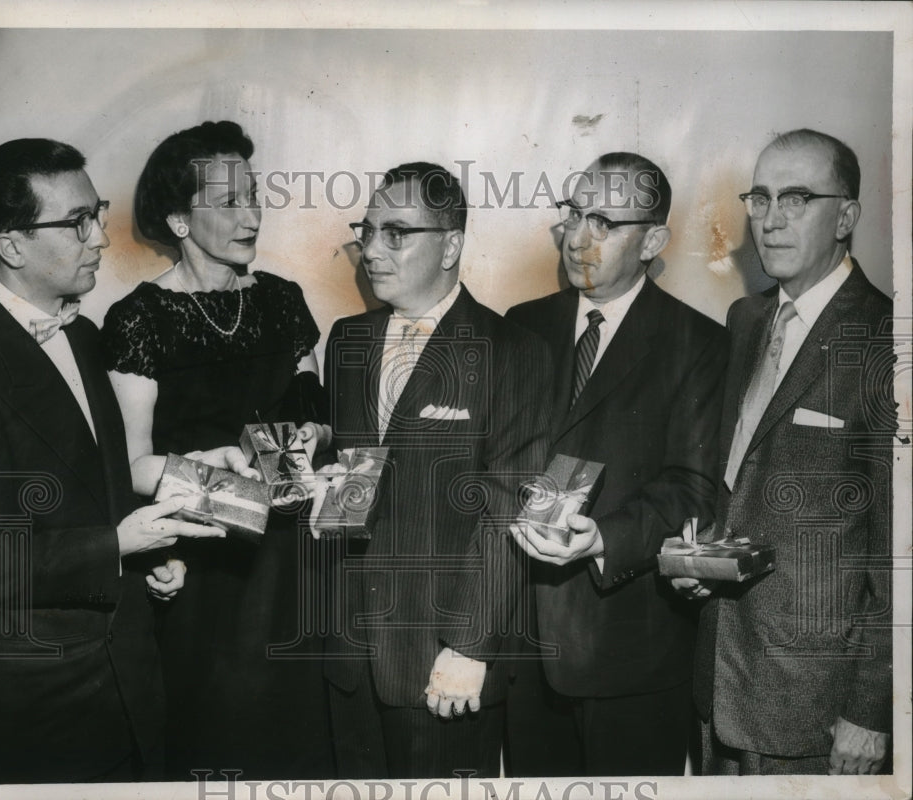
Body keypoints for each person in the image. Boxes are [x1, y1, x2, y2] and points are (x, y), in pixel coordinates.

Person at [0, 138, 226, 783]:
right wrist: (116, 545)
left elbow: (99, 488)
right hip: (39, 710)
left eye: (94, 212)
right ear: (11, 246)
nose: (99, 237)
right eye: (77, 222)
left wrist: (152, 553)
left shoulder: (86, 336)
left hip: (128, 686)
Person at [101, 120, 334, 779]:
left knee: (304, 747)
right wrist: (214, 476)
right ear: (178, 218)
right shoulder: (141, 318)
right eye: (228, 202)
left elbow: (309, 420)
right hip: (203, 573)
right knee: (219, 746)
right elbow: (131, 465)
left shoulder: (283, 301)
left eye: (253, 196)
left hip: (293, 564)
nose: (251, 214)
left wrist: (309, 442)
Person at [319, 162, 552, 778]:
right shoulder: (346, 341)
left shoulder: (513, 353)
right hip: (347, 657)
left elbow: (509, 512)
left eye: (396, 233)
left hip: (441, 668)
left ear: (451, 246)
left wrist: (470, 647)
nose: (372, 250)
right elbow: (355, 478)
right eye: (366, 231)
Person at [503, 152, 729, 776]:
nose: (578, 238)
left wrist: (605, 537)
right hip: (523, 651)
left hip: (631, 655)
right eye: (574, 214)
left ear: (654, 240)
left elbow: (694, 486)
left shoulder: (699, 343)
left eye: (603, 222)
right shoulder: (523, 326)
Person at [680, 129, 893, 775]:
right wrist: (703, 556)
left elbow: (902, 554)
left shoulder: (886, 341)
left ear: (846, 216)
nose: (770, 221)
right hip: (719, 681)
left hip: (819, 709)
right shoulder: (746, 320)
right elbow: (741, 485)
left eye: (797, 199)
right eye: (762, 198)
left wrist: (871, 707)